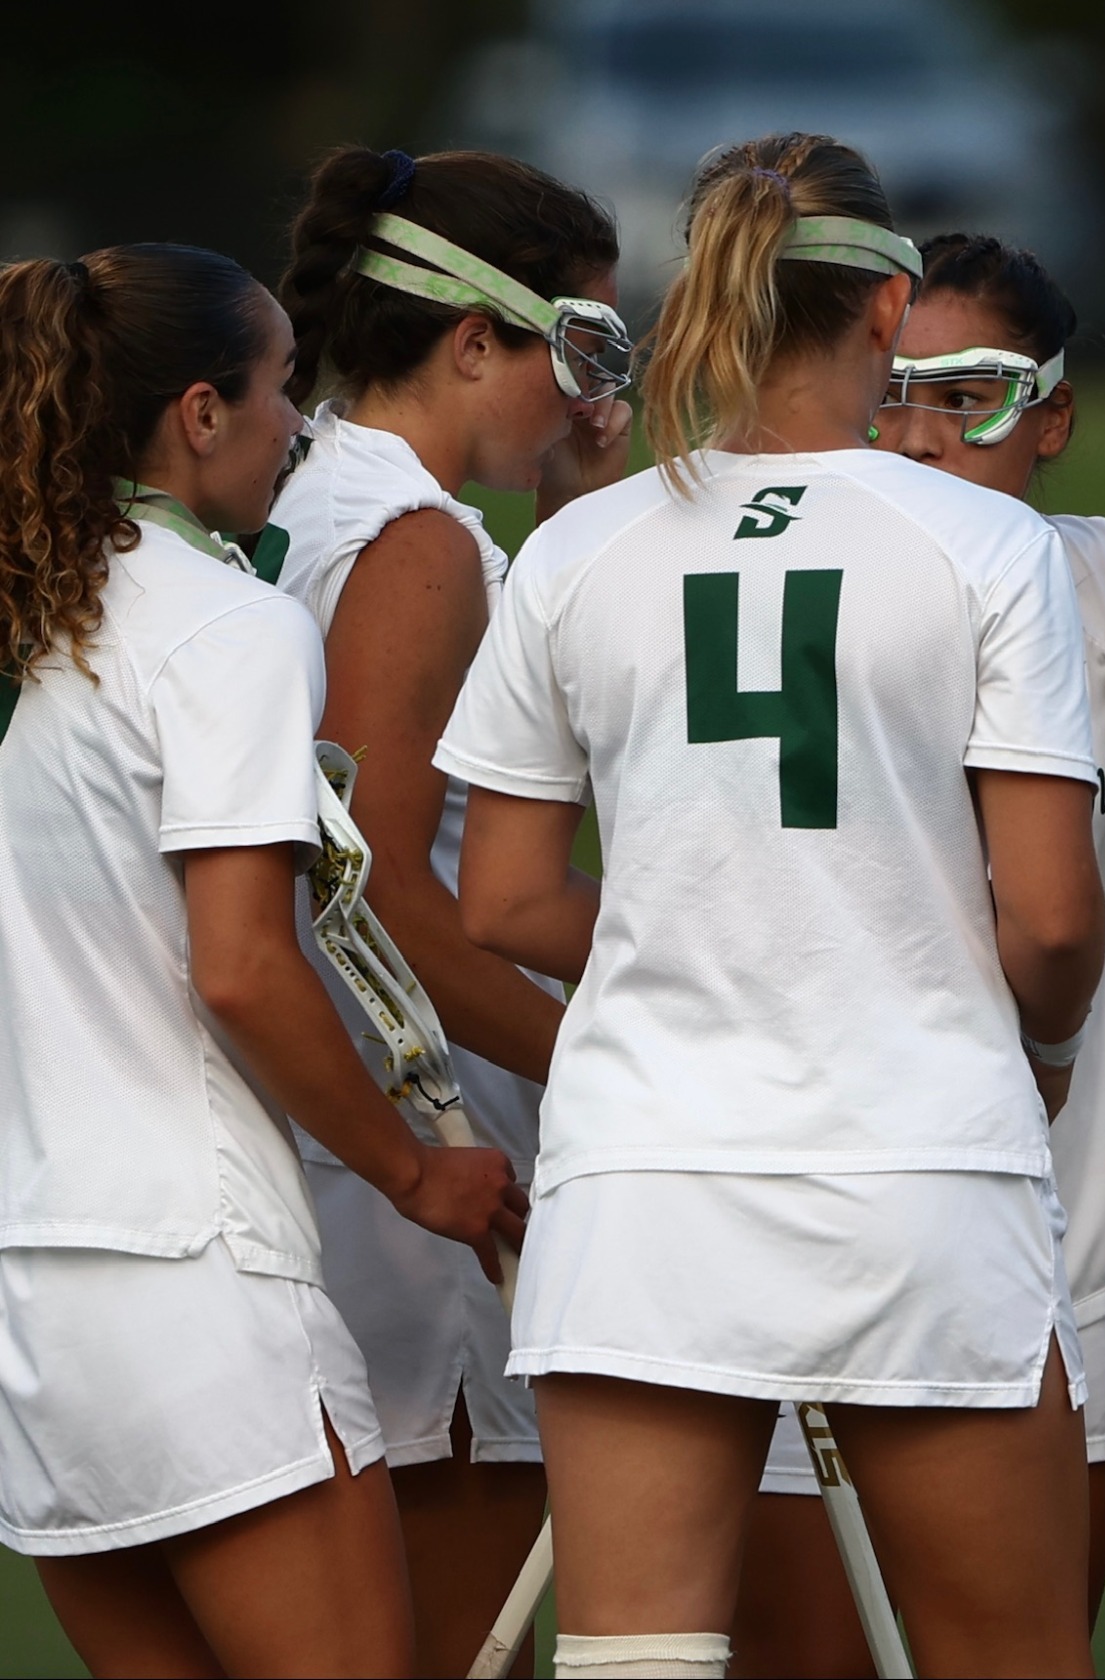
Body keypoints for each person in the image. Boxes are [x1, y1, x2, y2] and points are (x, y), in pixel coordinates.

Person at [438, 132, 1105, 1680]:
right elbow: (1059, 922)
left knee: (640, 1665)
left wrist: (711, 926)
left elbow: (504, 900)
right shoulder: (989, 542)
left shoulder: (577, 549)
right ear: (888, 315)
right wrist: (1041, 1038)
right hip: (920, 1167)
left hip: (647, 1184)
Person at [0, 244, 524, 1676]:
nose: (303, 426)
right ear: (201, 413)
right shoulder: (229, 626)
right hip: (202, 1283)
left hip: (45, 1302)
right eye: (284, 388)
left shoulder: (51, 621)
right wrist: (419, 1171)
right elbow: (240, 967)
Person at [734, 231, 1105, 1672]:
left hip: (1055, 1245)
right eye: (896, 387)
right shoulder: (762, 571)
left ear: (1056, 416)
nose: (923, 432)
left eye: (975, 394)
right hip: (801, 1217)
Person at [270, 145, 630, 1676]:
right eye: (585, 346)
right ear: (475, 341)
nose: (600, 390)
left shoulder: (302, 493)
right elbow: (384, 898)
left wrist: (567, 525)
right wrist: (607, 1064)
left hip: (328, 1158)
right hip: (426, 1183)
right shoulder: (418, 547)